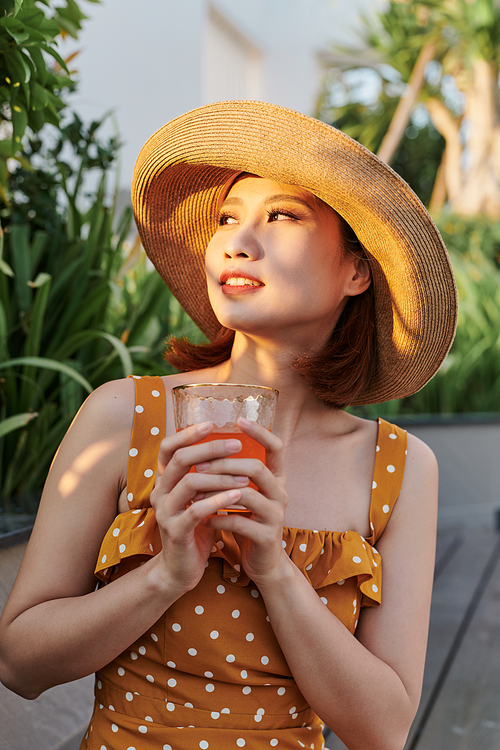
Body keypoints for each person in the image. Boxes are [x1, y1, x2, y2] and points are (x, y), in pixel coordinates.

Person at [0, 100, 457, 750]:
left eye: (282, 215)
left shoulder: (401, 467)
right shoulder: (122, 416)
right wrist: (166, 575)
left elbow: (383, 729)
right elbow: (18, 664)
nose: (238, 241)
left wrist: (273, 568)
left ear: (356, 270)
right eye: (226, 218)